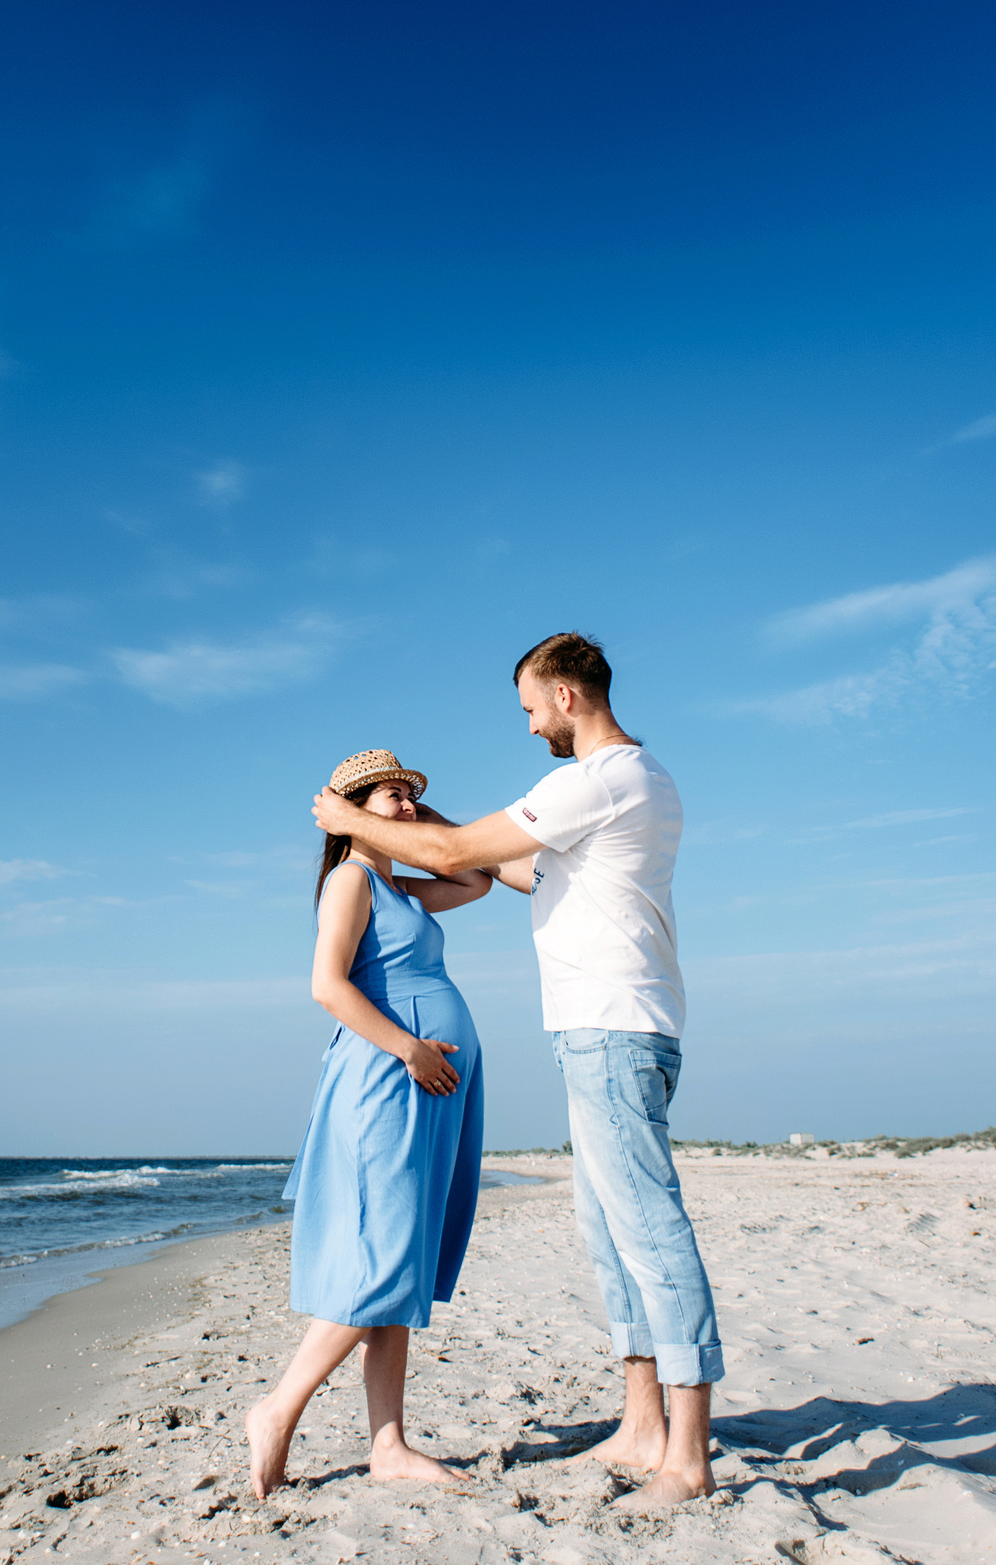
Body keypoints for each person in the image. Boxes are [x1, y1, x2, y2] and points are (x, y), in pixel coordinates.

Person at [311, 634, 721, 1509]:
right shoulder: (627, 785)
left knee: (648, 1233)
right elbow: (503, 867)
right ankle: (644, 1425)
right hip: (606, 1028)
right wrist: (414, 833)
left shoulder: (595, 779)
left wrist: (358, 821)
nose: (531, 723)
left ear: (566, 696)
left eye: (532, 706)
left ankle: (687, 1457)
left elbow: (464, 860)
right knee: (612, 1236)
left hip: (613, 1027)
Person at [247, 749, 495, 1497]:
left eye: (411, 797)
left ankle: (388, 1442)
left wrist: (421, 814)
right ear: (355, 808)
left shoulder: (404, 888)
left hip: (428, 1083)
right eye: (394, 796)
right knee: (383, 1258)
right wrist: (411, 1048)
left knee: (404, 1261)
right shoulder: (352, 881)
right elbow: (326, 985)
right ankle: (277, 1407)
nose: (409, 807)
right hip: (388, 1080)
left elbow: (476, 876)